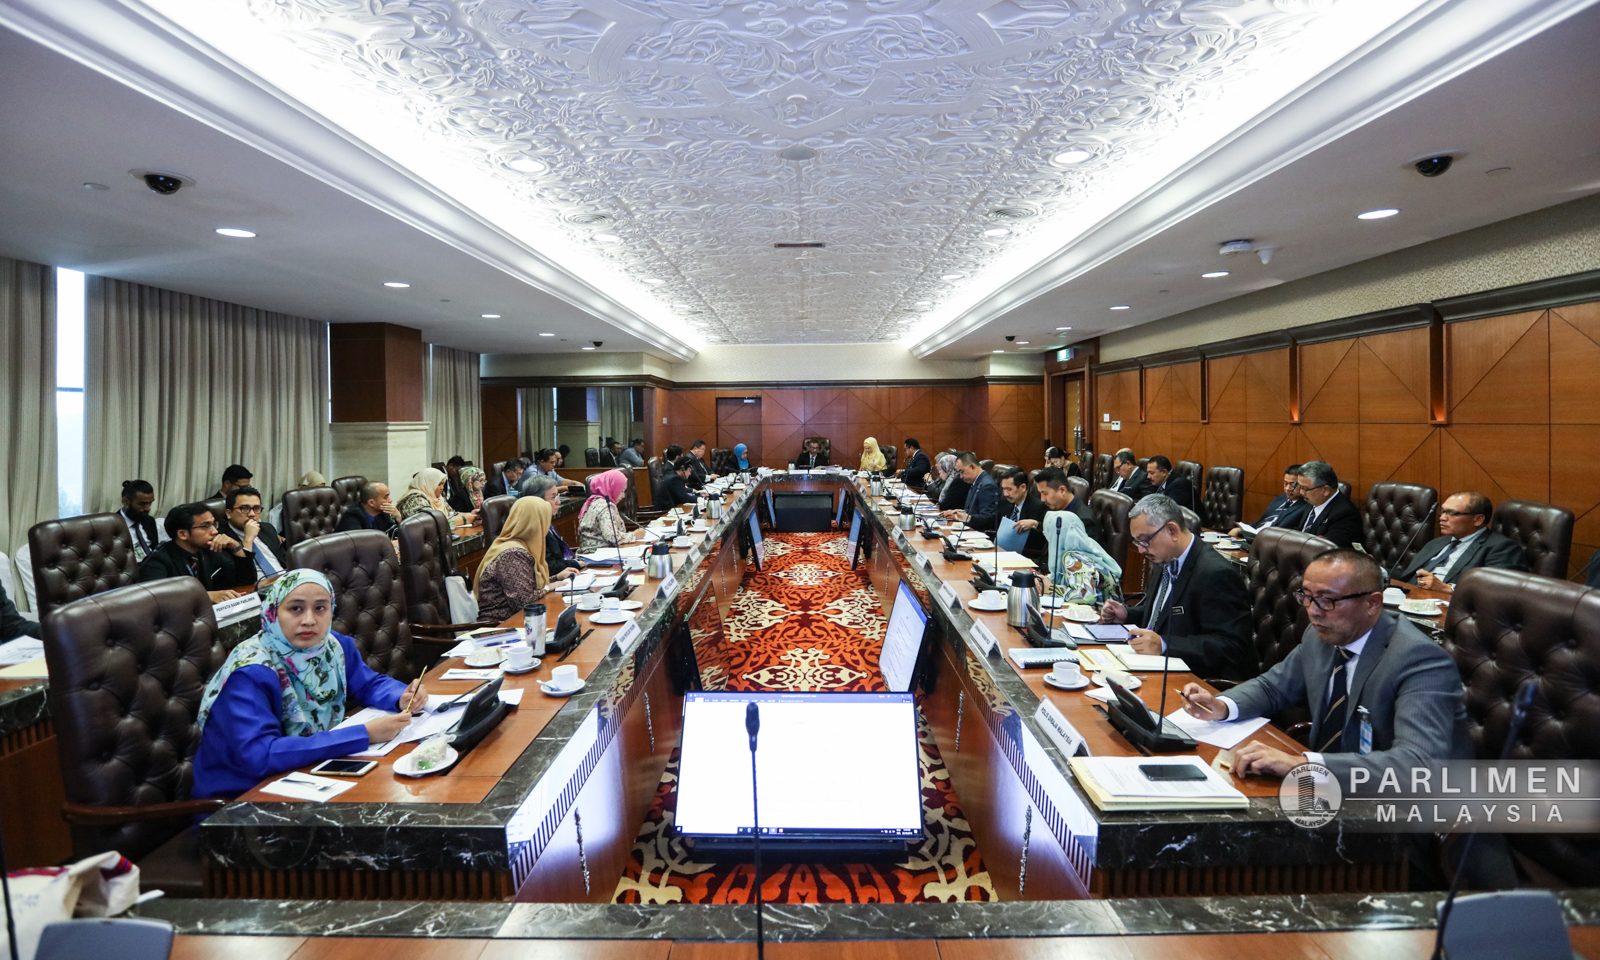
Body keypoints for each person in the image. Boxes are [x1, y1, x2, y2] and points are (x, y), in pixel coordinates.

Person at [1179, 549, 1470, 784]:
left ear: (1373, 603)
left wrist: (1303, 764)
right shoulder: (1323, 635)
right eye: (1306, 597)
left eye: (1327, 600)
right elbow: (1273, 687)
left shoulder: (1419, 660)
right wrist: (1223, 706)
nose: (1313, 612)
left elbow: (1417, 764)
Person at [190, 570, 425, 799]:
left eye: (320, 608)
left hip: (308, 775)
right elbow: (260, 755)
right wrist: (364, 734)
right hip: (239, 798)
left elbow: (368, 684)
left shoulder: (332, 646)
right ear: (273, 611)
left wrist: (401, 696)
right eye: (296, 609)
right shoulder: (250, 672)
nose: (309, 620)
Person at [1099, 494, 1256, 681]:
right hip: (1155, 667)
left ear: (1172, 531)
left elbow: (1231, 647)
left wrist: (1164, 644)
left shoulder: (1216, 574)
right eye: (1137, 542)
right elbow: (1163, 615)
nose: (1141, 549)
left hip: (1198, 682)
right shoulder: (1166, 559)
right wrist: (1127, 614)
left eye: (1145, 540)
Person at [1393, 491, 1527, 589]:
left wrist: (1448, 588)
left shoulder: (1501, 548)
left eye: (1452, 513)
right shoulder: (1438, 543)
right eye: (1443, 511)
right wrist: (1383, 572)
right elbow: (1407, 577)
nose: (1442, 518)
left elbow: (1498, 590)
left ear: (1478, 519)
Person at [137, 503, 258, 602]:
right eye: (206, 526)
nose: (215, 531)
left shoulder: (210, 551)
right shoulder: (158, 561)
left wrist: (237, 547)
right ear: (183, 534)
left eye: (213, 524)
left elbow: (245, 582)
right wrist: (206, 596)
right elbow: (154, 598)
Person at [474, 496, 561, 623]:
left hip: (520, 622)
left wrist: (557, 578)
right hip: (501, 626)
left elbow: (527, 584)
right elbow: (524, 602)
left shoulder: (521, 546)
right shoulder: (512, 554)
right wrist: (548, 588)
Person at [1037, 510, 1121, 607]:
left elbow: (1085, 597)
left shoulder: (1073, 559)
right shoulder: (1088, 545)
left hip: (1100, 613)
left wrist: (1052, 589)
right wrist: (1044, 580)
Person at [521, 475, 586, 578]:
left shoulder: (547, 523)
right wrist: (577, 564)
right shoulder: (533, 529)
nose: (558, 502)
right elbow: (549, 567)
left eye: (558, 496)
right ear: (538, 500)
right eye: (553, 497)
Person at [222, 486, 290, 581]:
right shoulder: (222, 539)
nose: (252, 514)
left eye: (256, 508)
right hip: (258, 587)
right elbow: (241, 580)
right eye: (244, 508)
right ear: (229, 513)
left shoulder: (267, 528)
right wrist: (248, 540)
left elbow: (285, 560)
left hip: (286, 579)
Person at [1293, 461, 1362, 548]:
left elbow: (1329, 549)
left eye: (1305, 488)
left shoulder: (1345, 514)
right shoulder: (1312, 500)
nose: (1301, 492)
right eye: (1299, 487)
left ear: (1325, 490)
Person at [1231, 465, 1309, 536]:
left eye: (1293, 485)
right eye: (1285, 483)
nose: (1288, 488)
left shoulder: (1306, 507)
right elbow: (1261, 523)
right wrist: (1242, 529)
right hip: (1256, 536)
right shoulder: (1280, 499)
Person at [1034, 466, 1100, 543]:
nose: (1042, 499)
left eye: (1045, 493)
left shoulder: (1084, 521)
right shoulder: (1055, 509)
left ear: (1062, 490)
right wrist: (1037, 525)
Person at [996, 468, 1049, 564]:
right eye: (1003, 489)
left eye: (1009, 489)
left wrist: (1035, 524)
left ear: (1023, 487)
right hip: (1001, 552)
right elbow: (995, 523)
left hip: (1025, 555)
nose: (1005, 494)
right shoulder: (1006, 502)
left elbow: (1044, 537)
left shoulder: (1038, 507)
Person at [940, 452, 1001, 531]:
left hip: (978, 533)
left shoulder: (987, 486)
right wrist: (959, 512)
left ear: (972, 467)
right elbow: (974, 510)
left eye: (962, 472)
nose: (961, 476)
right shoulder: (976, 482)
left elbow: (989, 520)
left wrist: (967, 518)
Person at [398, 468, 477, 527]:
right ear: (428, 484)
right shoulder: (416, 499)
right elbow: (435, 522)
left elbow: (451, 514)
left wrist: (472, 515)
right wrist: (464, 519)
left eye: (443, 484)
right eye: (439, 484)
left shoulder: (438, 498)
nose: (442, 488)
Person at [577, 469, 631, 553]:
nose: (623, 496)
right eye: (622, 491)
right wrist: (634, 535)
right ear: (613, 488)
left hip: (590, 553)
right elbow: (611, 536)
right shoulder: (606, 506)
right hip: (598, 555)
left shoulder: (595, 501)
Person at [119, 479, 167, 561]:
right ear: (125, 501)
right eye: (142, 504)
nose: (148, 509)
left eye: (150, 503)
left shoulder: (149, 522)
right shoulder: (113, 525)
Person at [337, 482, 401, 534]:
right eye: (386, 497)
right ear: (371, 502)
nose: (390, 500)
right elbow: (360, 542)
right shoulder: (352, 516)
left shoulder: (382, 514)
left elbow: (394, 535)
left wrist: (398, 517)